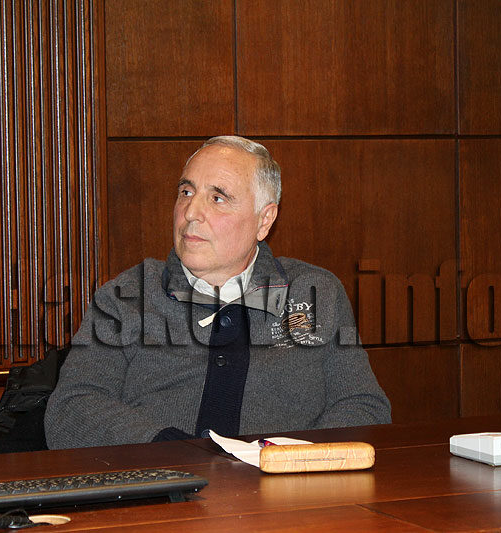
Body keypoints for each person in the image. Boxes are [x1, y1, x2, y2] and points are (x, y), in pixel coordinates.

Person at [45, 136, 391, 448]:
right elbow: (71, 410)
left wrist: (289, 460)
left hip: (283, 490)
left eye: (218, 198)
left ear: (264, 220)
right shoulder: (126, 296)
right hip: (164, 487)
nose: (191, 213)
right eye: (186, 192)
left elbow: (364, 406)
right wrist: (171, 450)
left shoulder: (315, 292)